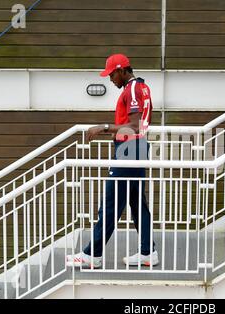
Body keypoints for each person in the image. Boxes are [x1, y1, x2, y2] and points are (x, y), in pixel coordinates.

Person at [66, 53, 158, 268]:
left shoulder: (133, 89)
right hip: (136, 147)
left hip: (129, 148)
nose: (110, 79)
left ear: (121, 70)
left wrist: (104, 127)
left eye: (112, 75)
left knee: (110, 205)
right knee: (137, 204)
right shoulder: (140, 87)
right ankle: (148, 252)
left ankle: (92, 256)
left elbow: (135, 126)